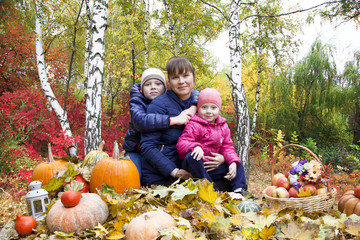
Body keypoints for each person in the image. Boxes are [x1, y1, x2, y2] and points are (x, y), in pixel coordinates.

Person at [140, 57, 226, 187]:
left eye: (185, 75)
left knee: (227, 185)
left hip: (194, 168)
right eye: (175, 77)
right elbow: (147, 146)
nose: (181, 81)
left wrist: (223, 157)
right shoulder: (158, 105)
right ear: (169, 81)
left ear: (193, 78)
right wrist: (174, 172)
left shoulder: (204, 103)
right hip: (162, 175)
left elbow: (220, 134)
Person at [122, 67, 196, 179]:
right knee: (133, 179)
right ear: (141, 90)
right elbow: (140, 121)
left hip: (154, 150)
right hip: (135, 149)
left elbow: (195, 93)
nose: (153, 87)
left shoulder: (167, 102)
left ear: (165, 88)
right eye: (147, 84)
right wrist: (173, 120)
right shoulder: (137, 102)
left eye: (158, 84)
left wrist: (194, 106)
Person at [176, 88, 248, 193]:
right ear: (198, 109)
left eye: (213, 107)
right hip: (196, 168)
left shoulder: (223, 126)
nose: (209, 111)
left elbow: (227, 147)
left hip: (213, 167)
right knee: (192, 157)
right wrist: (196, 146)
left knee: (236, 161)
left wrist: (231, 161)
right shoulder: (194, 124)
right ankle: (209, 190)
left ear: (219, 110)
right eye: (204, 107)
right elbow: (181, 143)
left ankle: (239, 190)